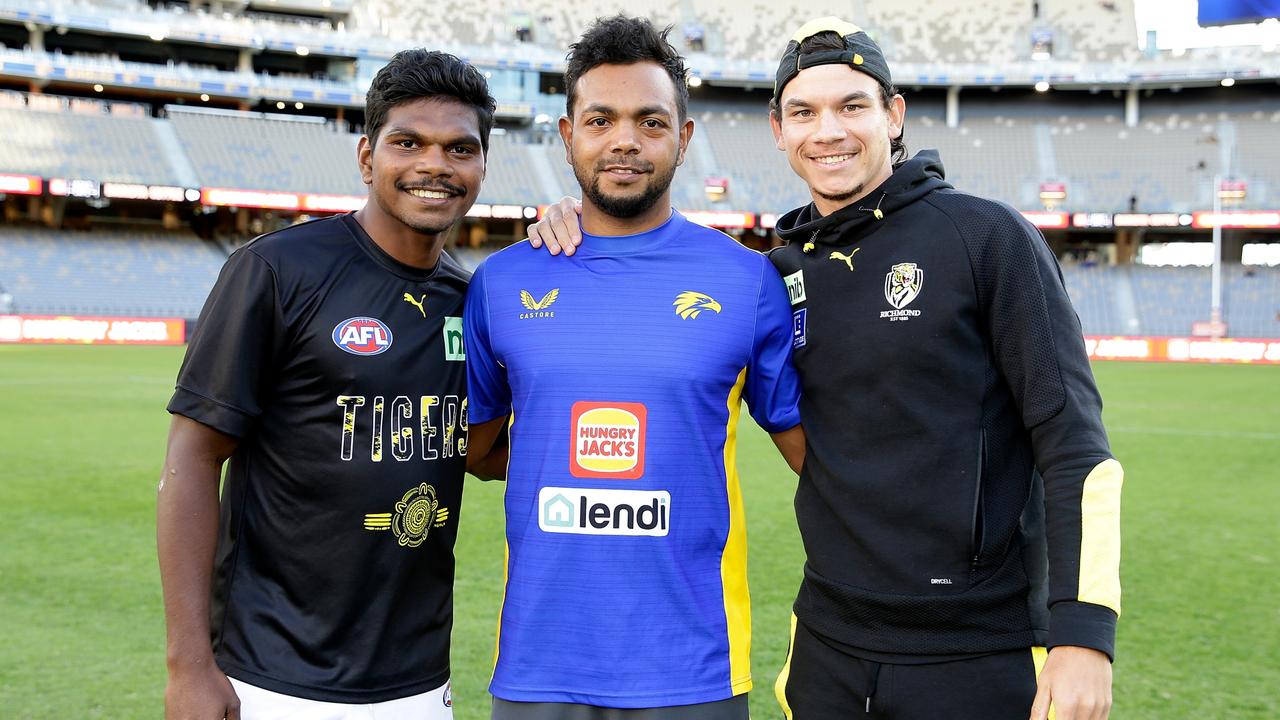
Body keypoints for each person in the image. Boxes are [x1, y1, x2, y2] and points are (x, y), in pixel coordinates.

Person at [527, 17, 1122, 720]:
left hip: (976, 647)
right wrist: (572, 217)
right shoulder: (778, 274)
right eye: (805, 112)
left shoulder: (987, 237)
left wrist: (1082, 635)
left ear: (893, 116)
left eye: (852, 106)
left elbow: (1074, 442)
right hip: (827, 647)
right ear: (778, 130)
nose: (828, 131)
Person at [463, 15, 805, 720]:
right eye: (601, 119)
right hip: (537, 669)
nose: (624, 139)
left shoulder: (748, 282)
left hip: (695, 669)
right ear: (567, 137)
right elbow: (478, 448)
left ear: (682, 139)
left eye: (651, 122)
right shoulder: (500, 282)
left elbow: (817, 458)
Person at [157, 48, 495, 720]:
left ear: (482, 166)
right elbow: (192, 460)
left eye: (460, 148)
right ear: (368, 158)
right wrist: (189, 665)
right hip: (269, 676)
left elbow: (490, 453)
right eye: (409, 143)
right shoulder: (277, 272)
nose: (435, 164)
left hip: (419, 683)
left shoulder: (473, 300)